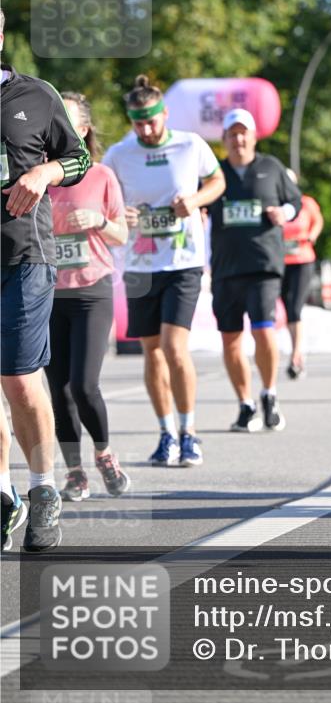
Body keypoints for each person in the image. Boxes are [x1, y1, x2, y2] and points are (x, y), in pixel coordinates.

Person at [1, 8, 91, 551]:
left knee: (16, 378)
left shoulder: (35, 96)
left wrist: (44, 171)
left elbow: (76, 158)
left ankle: (42, 490)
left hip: (25, 256)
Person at [103, 75, 224, 467]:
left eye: (152, 121)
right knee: (152, 353)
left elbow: (217, 181)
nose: (146, 129)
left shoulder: (190, 145)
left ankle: (190, 433)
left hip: (183, 261)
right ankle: (166, 433)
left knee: (175, 348)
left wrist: (195, 200)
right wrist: (121, 212)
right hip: (140, 265)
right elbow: (105, 199)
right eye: (138, 122)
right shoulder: (120, 155)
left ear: (164, 114)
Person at [46, 93, 130, 502]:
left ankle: (104, 453)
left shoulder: (101, 176)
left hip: (92, 291)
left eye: (66, 120)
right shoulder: (38, 175)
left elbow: (122, 235)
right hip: (47, 293)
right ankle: (75, 473)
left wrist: (98, 220)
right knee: (57, 389)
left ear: (82, 130)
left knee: (83, 385)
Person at [209, 109, 301, 431]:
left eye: (243, 132)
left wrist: (284, 212)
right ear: (224, 140)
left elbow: (296, 202)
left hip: (263, 263)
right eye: (232, 134)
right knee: (230, 339)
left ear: (253, 136)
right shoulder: (214, 174)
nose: (238, 139)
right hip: (225, 268)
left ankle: (269, 394)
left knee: (263, 329)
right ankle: (246, 404)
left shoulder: (271, 167)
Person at [281, 170, 324, 379]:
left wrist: (311, 236)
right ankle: (295, 348)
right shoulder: (276, 206)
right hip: (280, 262)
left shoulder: (306, 203)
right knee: (287, 308)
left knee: (295, 306)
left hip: (303, 260)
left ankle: (296, 355)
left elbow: (318, 221)